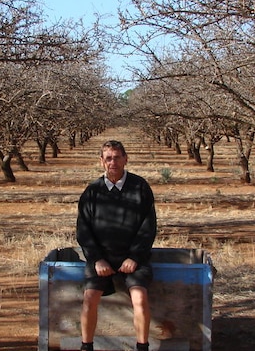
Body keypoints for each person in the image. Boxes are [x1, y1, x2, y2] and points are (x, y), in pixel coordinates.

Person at [76, 140, 157, 351]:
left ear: (125, 159)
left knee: (139, 297)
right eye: (108, 158)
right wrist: (96, 259)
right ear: (101, 161)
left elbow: (148, 228)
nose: (113, 162)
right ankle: (86, 346)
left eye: (117, 157)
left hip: (133, 258)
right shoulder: (92, 192)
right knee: (90, 298)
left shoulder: (140, 187)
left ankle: (142, 347)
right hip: (101, 258)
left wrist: (135, 257)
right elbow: (83, 231)